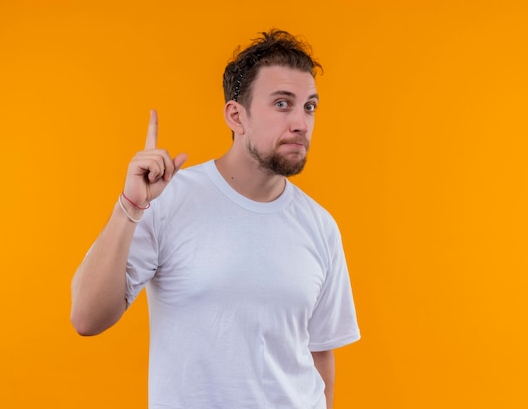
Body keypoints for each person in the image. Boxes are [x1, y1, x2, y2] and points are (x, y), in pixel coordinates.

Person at [70, 29, 360, 409]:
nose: (301, 124)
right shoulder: (170, 199)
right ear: (236, 116)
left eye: (309, 107)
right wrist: (130, 206)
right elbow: (87, 318)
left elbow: (320, 354)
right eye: (282, 104)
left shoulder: (320, 226)